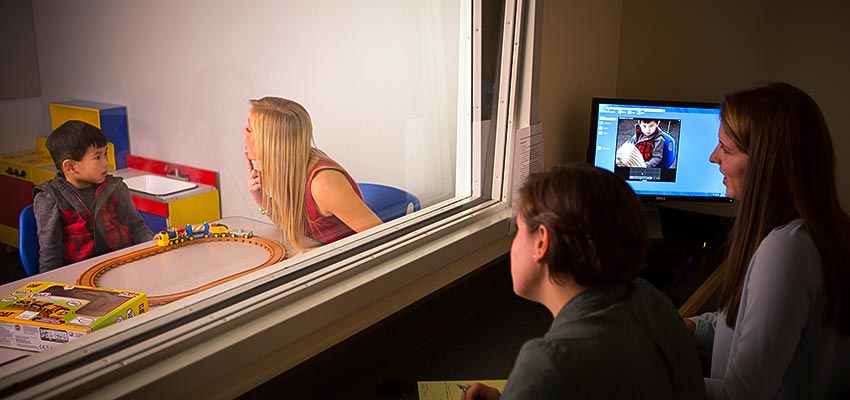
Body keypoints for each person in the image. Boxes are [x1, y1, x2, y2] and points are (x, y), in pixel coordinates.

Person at [464, 164, 704, 400]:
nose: (513, 246)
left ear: (541, 242)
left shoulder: (550, 362)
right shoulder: (651, 300)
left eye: (519, 230)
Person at [685, 82, 850, 399]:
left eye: (727, 149)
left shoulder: (789, 250)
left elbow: (741, 395)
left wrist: (641, 379)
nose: (713, 157)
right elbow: (744, 327)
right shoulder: (821, 231)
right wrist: (685, 328)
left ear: (766, 164)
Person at [243, 96, 382, 251]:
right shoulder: (292, 167)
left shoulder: (324, 184)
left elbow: (382, 240)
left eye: (249, 129)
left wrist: (314, 254)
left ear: (269, 141)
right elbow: (294, 227)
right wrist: (261, 198)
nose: (243, 132)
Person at [33, 120, 153, 273]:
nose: (105, 163)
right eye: (97, 157)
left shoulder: (115, 187)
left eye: (105, 153)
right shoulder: (50, 198)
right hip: (81, 279)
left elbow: (136, 227)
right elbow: (50, 256)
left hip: (124, 268)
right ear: (70, 167)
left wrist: (152, 241)